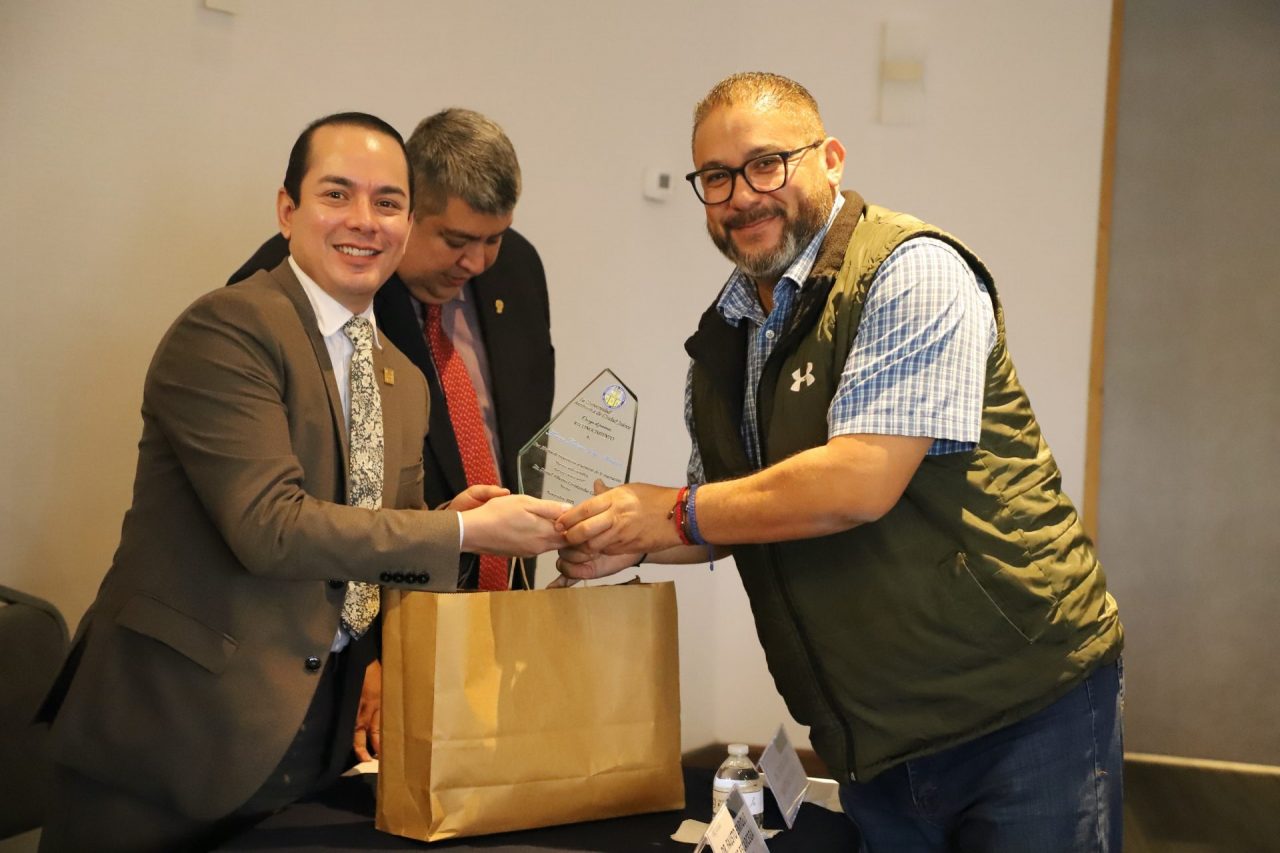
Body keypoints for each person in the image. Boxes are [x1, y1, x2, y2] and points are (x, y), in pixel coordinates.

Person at [555, 72, 1125, 852]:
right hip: (869, 737)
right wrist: (615, 532)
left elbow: (857, 482)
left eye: (766, 164)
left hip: (1020, 710)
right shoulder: (722, 338)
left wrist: (673, 513)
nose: (742, 196)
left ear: (830, 159)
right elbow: (731, 510)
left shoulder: (912, 271)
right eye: (716, 177)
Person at [37, 113, 566, 853]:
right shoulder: (228, 330)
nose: (365, 221)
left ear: (406, 224)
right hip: (177, 732)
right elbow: (271, 527)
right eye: (337, 194)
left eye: (387, 202)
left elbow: (386, 532)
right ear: (288, 210)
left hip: (320, 732)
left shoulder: (402, 375)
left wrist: (455, 515)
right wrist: (458, 531)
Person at [229, 107, 554, 762]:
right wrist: (368, 652)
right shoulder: (294, 294)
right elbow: (304, 516)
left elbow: (517, 432)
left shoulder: (514, 269)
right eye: (455, 239)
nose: (477, 261)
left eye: (493, 239)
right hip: (341, 651)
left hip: (490, 616)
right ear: (409, 209)